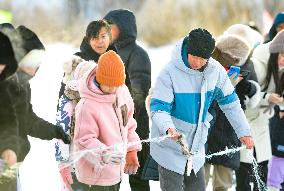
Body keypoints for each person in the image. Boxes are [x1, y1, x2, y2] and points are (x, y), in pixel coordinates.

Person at [149, 28, 254, 191]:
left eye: (203, 58)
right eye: (194, 56)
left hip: (196, 148)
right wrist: (168, 128)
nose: (197, 62)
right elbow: (158, 108)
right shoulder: (169, 72)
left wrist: (244, 132)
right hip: (170, 145)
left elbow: (231, 104)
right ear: (187, 50)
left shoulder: (216, 71)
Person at [56, 20, 116, 191]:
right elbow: (64, 95)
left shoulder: (115, 60)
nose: (99, 41)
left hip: (109, 133)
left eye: (103, 36)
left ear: (109, 38)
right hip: (82, 128)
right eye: (94, 37)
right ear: (87, 39)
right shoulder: (78, 61)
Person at [72, 50, 141, 191]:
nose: (113, 88)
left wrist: (131, 150)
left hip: (115, 173)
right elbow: (83, 141)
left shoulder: (122, 92)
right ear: (99, 78)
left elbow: (129, 123)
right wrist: (104, 153)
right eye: (108, 84)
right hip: (95, 178)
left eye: (116, 84)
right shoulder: (87, 105)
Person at [104, 9, 152, 191]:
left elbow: (139, 94)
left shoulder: (138, 54)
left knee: (137, 179)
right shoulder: (108, 52)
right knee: (110, 178)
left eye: (111, 27)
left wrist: (123, 118)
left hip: (134, 125)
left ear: (123, 28)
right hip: (110, 127)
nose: (107, 31)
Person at [205, 33, 261, 191]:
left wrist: (247, 88)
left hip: (228, 134)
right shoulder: (206, 66)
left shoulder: (246, 67)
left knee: (223, 184)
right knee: (198, 181)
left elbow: (253, 99)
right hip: (207, 132)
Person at [255, 30, 284, 191]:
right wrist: (268, 97)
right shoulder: (259, 64)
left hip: (269, 120)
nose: (283, 61)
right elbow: (248, 94)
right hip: (255, 120)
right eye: (282, 55)